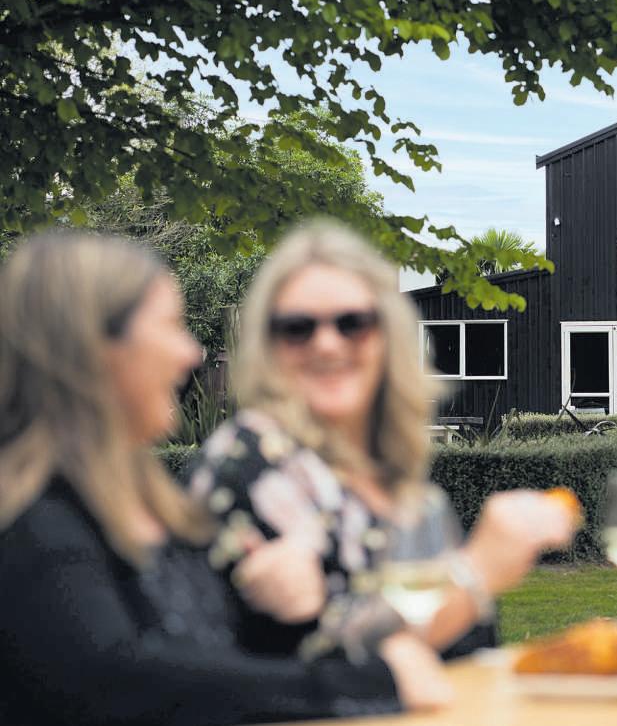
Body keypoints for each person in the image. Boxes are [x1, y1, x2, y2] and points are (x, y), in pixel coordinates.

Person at [0, 231, 450, 726]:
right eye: (171, 326)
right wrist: (368, 681)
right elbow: (115, 683)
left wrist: (292, 613)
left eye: (354, 323)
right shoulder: (31, 524)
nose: (191, 354)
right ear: (93, 348)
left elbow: (211, 671)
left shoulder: (144, 504)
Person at [190, 220, 574, 659]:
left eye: (353, 323)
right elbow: (326, 668)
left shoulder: (401, 483)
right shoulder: (247, 465)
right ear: (268, 347)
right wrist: (479, 570)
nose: (327, 344)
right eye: (298, 327)